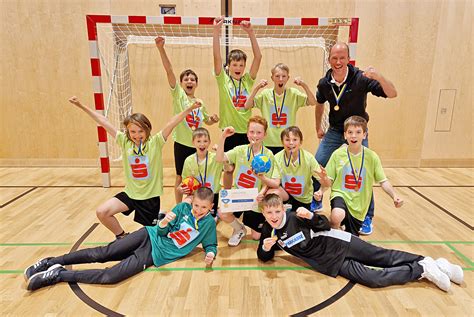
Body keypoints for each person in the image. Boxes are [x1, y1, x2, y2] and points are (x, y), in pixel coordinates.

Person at [258, 194, 463, 292]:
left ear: (283, 210)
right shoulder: (269, 229)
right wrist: (266, 249)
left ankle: (429, 263)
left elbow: (325, 224)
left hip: (340, 243)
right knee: (373, 279)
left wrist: (311, 216)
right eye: (269, 212)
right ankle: (424, 268)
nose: (274, 216)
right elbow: (263, 255)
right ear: (263, 213)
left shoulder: (296, 216)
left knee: (383, 257)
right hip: (330, 263)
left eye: (277, 211)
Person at [24, 187, 217, 291]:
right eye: (196, 206)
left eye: (203, 208)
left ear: (211, 207)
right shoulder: (181, 209)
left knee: (110, 276)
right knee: (103, 253)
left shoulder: (208, 223)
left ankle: (57, 275)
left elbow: (211, 243)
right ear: (192, 202)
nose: (198, 211)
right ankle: (51, 261)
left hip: (154, 255)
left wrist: (210, 253)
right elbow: (160, 232)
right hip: (147, 235)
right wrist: (164, 224)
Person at [68, 96, 201, 239]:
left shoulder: (155, 142)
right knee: (102, 212)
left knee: (153, 239)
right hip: (130, 194)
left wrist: (190, 109)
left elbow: (172, 122)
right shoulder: (124, 142)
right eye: (133, 132)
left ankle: (161, 218)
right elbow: (103, 121)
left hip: (149, 198)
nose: (137, 135)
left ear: (147, 129)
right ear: (128, 132)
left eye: (140, 131)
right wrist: (81, 105)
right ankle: (122, 236)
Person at [314, 42, 398, 235]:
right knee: (317, 165)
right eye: (334, 58)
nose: (338, 62)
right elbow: (319, 103)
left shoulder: (361, 78)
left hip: (357, 131)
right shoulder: (324, 83)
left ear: (348, 59)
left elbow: (393, 93)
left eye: (342, 58)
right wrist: (318, 126)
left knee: (364, 174)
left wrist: (378, 76)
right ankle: (317, 197)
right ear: (329, 60)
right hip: (335, 131)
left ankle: (367, 216)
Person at [155, 36, 219, 204]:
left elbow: (206, 121)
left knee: (198, 176)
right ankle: (178, 207)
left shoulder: (200, 102)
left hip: (199, 145)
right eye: (186, 79)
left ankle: (199, 204)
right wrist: (161, 49)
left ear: (196, 84)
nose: (189, 81)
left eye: (193, 79)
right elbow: (169, 71)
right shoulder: (179, 96)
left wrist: (212, 118)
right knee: (180, 177)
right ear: (181, 83)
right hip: (182, 144)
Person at [315, 116, 402, 236]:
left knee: (351, 239)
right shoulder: (337, 155)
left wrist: (394, 195)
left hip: (359, 205)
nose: (353, 136)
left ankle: (340, 236)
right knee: (336, 215)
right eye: (350, 132)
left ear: (364, 135)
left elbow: (383, 181)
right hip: (341, 194)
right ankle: (332, 238)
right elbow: (329, 180)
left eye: (358, 132)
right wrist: (321, 190)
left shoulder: (372, 157)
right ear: (345, 135)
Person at [213, 17, 262, 189]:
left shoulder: (248, 80)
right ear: (229, 66)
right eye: (235, 64)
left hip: (246, 133)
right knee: (228, 168)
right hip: (229, 131)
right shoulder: (223, 80)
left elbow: (258, 57)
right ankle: (227, 198)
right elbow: (217, 58)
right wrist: (216, 32)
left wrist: (250, 32)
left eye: (241, 64)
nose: (238, 67)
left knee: (247, 168)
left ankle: (245, 199)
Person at [216, 116, 280, 246]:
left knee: (256, 236)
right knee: (222, 212)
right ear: (247, 133)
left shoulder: (268, 155)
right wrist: (223, 137)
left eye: (259, 132)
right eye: (251, 132)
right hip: (238, 194)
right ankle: (239, 229)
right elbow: (219, 158)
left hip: (255, 198)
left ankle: (258, 221)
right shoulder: (240, 150)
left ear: (265, 134)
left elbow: (270, 182)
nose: (255, 135)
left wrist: (261, 193)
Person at [244, 63, 317, 154]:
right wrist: (257, 88)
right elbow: (247, 106)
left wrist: (303, 85)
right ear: (272, 78)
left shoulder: (293, 94)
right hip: (268, 142)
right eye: (277, 76)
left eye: (284, 76)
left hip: (286, 142)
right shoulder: (266, 94)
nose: (280, 79)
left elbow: (313, 102)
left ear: (288, 78)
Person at [268, 126, 331, 211]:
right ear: (282, 142)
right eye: (287, 140)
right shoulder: (277, 158)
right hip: (286, 195)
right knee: (271, 193)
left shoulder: (309, 158)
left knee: (299, 221)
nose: (291, 143)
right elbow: (275, 183)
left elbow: (326, 184)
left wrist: (324, 181)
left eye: (294, 140)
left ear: (301, 142)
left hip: (304, 199)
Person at [180, 128, 223, 218]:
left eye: (205, 141)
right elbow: (184, 182)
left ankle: (216, 215)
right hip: (196, 195)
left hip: (212, 195)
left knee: (209, 222)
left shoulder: (216, 158)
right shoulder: (189, 160)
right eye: (198, 141)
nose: (202, 144)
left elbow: (228, 168)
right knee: (185, 207)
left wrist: (220, 152)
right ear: (193, 142)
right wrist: (180, 188)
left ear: (209, 142)